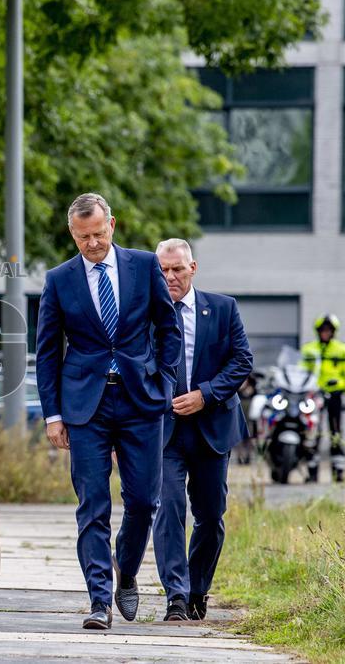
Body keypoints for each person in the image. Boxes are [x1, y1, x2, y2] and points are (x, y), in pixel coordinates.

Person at [35, 193, 181, 630]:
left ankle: (128, 572)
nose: (93, 244)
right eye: (83, 238)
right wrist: (53, 415)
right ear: (72, 234)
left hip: (140, 400)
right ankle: (98, 600)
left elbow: (168, 327)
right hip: (85, 406)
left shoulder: (143, 265)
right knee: (93, 504)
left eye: (98, 234)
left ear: (111, 225)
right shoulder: (59, 280)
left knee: (143, 501)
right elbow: (46, 352)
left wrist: (164, 378)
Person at [152, 239, 253, 622]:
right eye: (162, 270)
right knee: (170, 508)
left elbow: (242, 359)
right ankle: (175, 595)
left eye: (177, 269)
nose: (170, 277)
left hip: (212, 426)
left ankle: (198, 588)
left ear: (193, 267)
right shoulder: (146, 313)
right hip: (164, 431)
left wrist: (205, 395)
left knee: (210, 516)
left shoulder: (223, 309)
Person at [301, 314, 345, 483]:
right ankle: (312, 472)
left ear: (333, 332)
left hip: (335, 395)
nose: (325, 333)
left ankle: (338, 471)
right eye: (323, 330)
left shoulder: (341, 349)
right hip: (314, 395)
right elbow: (301, 371)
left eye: (328, 330)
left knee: (335, 432)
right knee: (313, 432)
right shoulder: (309, 349)